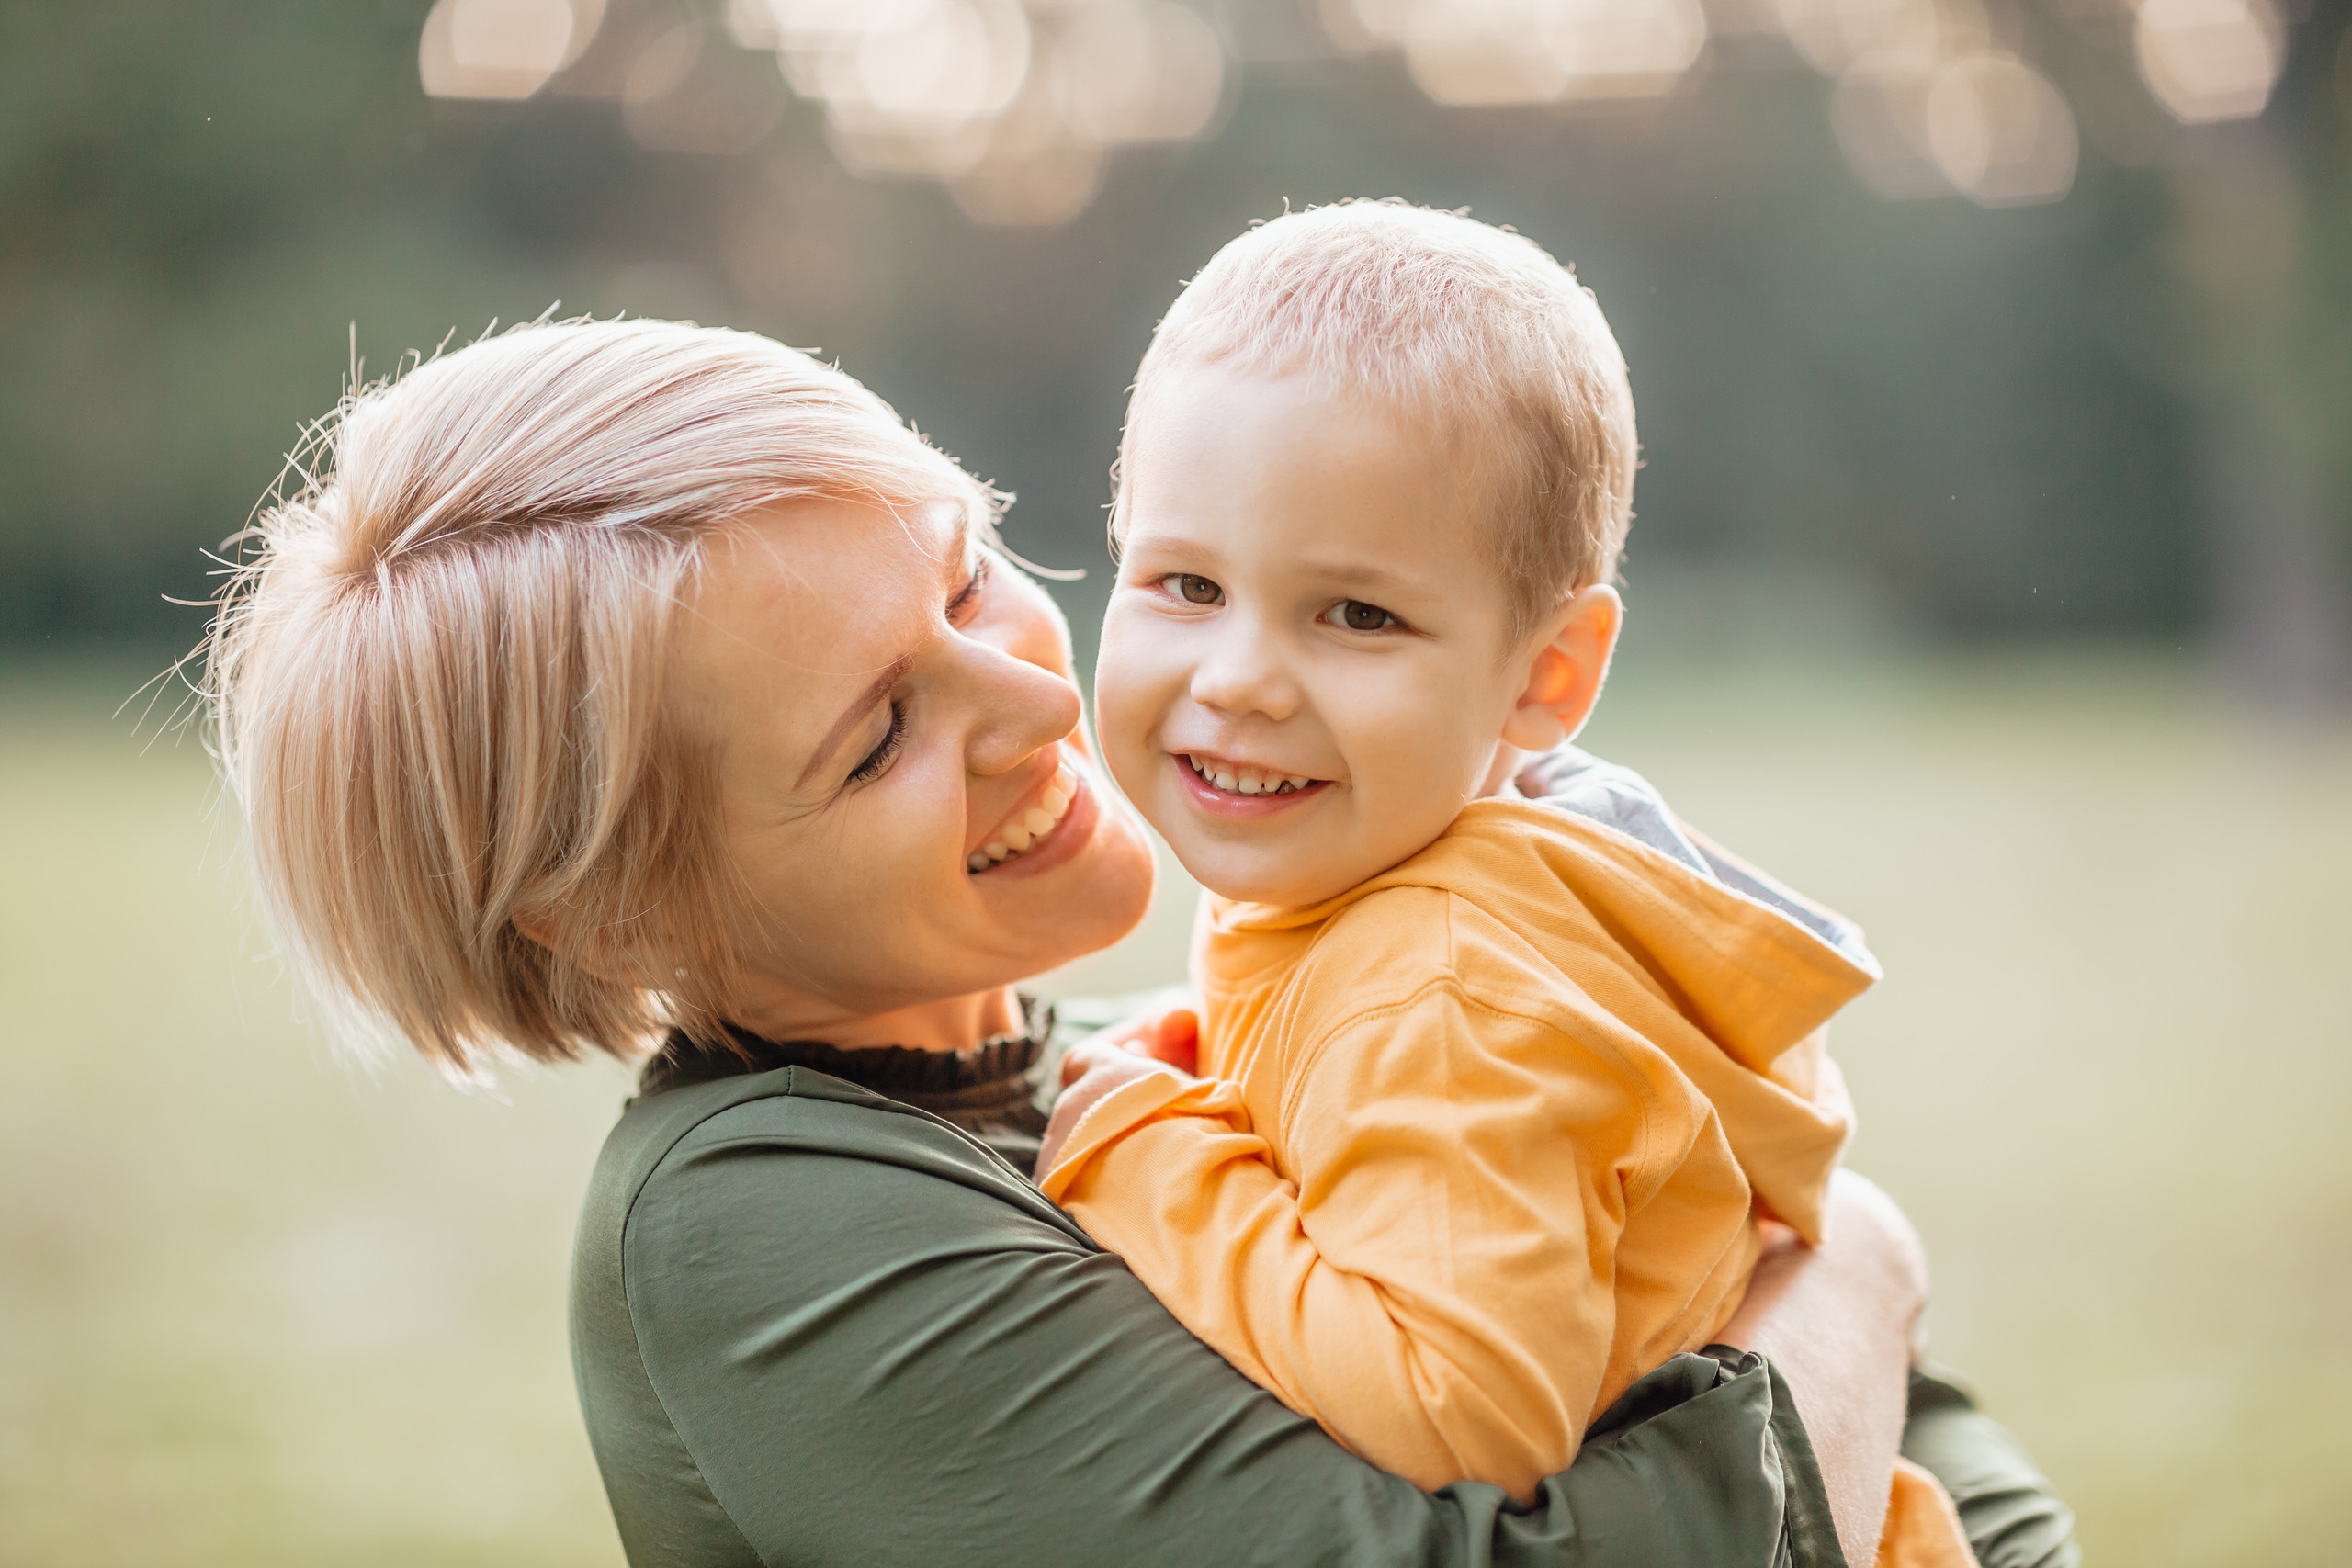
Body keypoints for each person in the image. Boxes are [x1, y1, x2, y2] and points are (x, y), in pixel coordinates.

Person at [199, 315, 2077, 1567]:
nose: (1021, 694)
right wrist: (1853, 1268)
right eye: (874, 734)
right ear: (614, 902)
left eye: (964, 570)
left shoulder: (1142, 1045)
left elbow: (1898, 1436)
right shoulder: (753, 1217)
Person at [1038, 200, 1963, 1564]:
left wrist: (1157, 1158)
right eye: (1182, 583)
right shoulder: (1444, 885)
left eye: (1358, 615)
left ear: (1549, 676)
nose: (1236, 677)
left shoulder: (1452, 990)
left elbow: (1466, 1415)